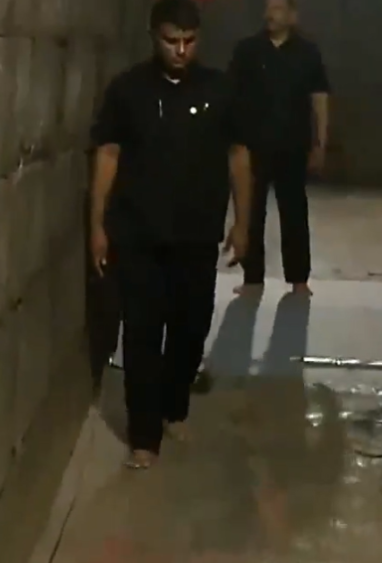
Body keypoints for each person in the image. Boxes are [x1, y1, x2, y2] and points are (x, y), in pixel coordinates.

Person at [89, 0, 253, 469]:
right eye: (171, 41)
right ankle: (143, 436)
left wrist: (243, 224)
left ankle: (173, 405)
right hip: (138, 234)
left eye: (189, 41)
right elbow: (108, 155)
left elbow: (239, 156)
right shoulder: (128, 90)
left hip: (197, 235)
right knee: (142, 332)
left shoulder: (220, 89)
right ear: (153, 36)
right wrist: (96, 224)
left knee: (191, 328)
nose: (181, 50)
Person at [228, 0, 330, 296]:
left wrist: (320, 143)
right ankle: (252, 278)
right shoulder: (248, 51)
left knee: (294, 212)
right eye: (268, 8)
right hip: (253, 145)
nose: (270, 14)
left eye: (278, 9)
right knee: (252, 210)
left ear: (292, 15)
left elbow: (319, 99)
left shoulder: (307, 53)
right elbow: (230, 95)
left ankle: (298, 279)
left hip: (293, 145)